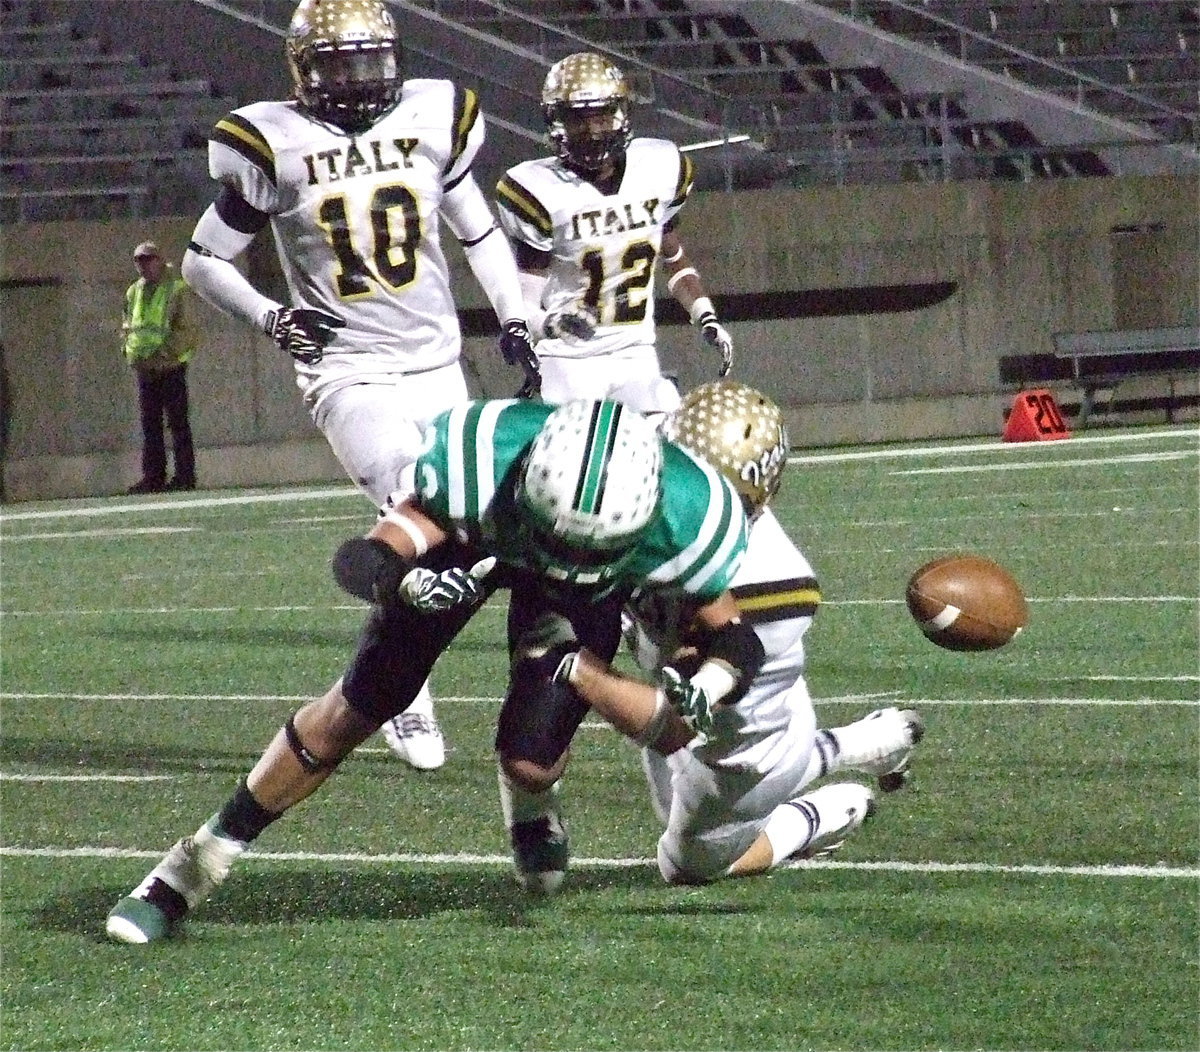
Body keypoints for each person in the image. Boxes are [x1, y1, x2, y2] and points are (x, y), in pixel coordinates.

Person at [106, 396, 769, 943]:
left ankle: (530, 799)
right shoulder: (480, 462)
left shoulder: (690, 514)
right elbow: (365, 557)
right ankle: (195, 862)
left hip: (575, 592)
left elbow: (734, 639)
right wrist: (401, 587)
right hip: (474, 542)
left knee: (531, 756)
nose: (563, 561)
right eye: (557, 542)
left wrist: (704, 684)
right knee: (362, 703)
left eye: (584, 548)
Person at [178, 0, 540, 770]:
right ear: (304, 70)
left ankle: (397, 672)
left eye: (372, 60)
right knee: (412, 498)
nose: (361, 78)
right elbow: (202, 261)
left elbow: (477, 230)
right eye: (341, 64)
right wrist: (273, 318)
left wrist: (515, 318)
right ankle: (402, 691)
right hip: (348, 365)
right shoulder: (274, 141)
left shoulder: (431, 116)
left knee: (464, 523)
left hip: (437, 358)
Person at [552, 380, 925, 885]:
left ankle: (822, 814)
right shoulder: (693, 502)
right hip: (715, 690)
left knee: (685, 866)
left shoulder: (767, 588)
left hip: (743, 742)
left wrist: (581, 673)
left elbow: (676, 723)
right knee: (670, 803)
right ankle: (861, 744)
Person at [494, 51, 734, 418]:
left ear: (620, 114)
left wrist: (705, 315)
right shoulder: (537, 189)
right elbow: (522, 301)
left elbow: (672, 256)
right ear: (557, 123)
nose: (592, 132)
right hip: (568, 361)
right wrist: (551, 324)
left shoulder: (659, 167)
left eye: (601, 117)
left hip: (635, 354)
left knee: (666, 433)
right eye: (578, 121)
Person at [121, 241, 198, 494]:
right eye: (139, 261)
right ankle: (153, 477)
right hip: (145, 368)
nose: (144, 265)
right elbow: (128, 325)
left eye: (148, 259)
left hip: (170, 366)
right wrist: (129, 351)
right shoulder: (133, 292)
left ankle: (184, 477)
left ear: (159, 260)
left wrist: (163, 352)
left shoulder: (175, 290)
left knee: (178, 424)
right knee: (150, 426)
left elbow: (186, 330)